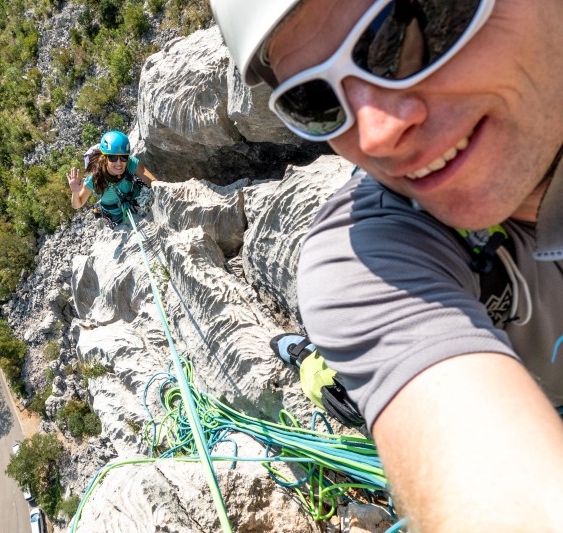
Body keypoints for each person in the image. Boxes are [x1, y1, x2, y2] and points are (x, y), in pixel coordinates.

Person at [212, 1, 563, 531]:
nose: (374, 135)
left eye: (403, 31)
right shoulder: (367, 258)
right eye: (315, 100)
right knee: (336, 393)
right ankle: (304, 356)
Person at [68, 130, 159, 225]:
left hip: (135, 198)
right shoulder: (95, 177)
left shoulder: (130, 162)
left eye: (123, 157)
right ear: (105, 158)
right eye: (113, 158)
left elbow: (153, 181)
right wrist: (75, 192)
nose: (119, 163)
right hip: (115, 212)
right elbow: (77, 204)